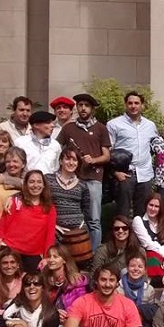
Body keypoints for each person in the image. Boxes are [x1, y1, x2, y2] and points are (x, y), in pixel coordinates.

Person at [56, 92, 111, 249]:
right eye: (80, 105)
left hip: (94, 178)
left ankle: (93, 255)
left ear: (92, 109)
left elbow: (107, 156)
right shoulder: (69, 129)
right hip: (73, 180)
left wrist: (93, 160)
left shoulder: (101, 128)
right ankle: (74, 251)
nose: (83, 108)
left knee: (94, 220)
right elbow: (56, 150)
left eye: (86, 106)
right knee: (74, 218)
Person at [107, 91, 159, 217]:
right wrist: (114, 172)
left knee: (143, 214)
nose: (133, 106)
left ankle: (140, 237)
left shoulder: (150, 125)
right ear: (125, 105)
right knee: (122, 213)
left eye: (137, 103)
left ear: (142, 105)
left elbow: (154, 146)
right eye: (130, 103)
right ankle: (121, 236)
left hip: (145, 174)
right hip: (125, 174)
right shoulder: (114, 124)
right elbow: (107, 151)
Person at [0, 170, 56, 272]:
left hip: (33, 254)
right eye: (31, 182)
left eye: (39, 182)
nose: (35, 185)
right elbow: (1, 228)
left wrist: (46, 257)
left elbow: (50, 235)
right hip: (10, 250)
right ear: (25, 184)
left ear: (44, 185)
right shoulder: (15, 201)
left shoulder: (49, 208)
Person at [46, 146, 92, 245]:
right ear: (61, 161)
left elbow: (86, 210)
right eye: (67, 159)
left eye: (74, 160)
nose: (71, 163)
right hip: (56, 231)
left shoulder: (82, 185)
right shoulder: (48, 180)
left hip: (79, 232)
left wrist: (82, 225)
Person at [132, 193, 164, 283]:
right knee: (153, 256)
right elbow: (147, 243)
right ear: (146, 205)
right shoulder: (138, 220)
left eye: (156, 206)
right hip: (146, 255)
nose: (153, 209)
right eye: (151, 205)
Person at [14, 111, 62, 175]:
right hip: (26, 182)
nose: (52, 125)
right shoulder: (20, 143)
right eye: (48, 122)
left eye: (52, 122)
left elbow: (57, 168)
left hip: (49, 183)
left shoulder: (55, 145)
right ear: (36, 125)